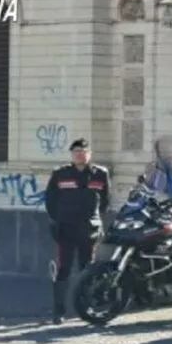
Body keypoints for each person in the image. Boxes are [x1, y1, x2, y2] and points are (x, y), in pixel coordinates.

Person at [44, 139, 111, 324]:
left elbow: (105, 201)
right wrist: (58, 219)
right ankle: (59, 312)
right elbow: (50, 200)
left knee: (87, 270)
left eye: (84, 151)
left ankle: (84, 308)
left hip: (89, 230)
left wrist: (95, 220)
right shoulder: (60, 174)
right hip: (66, 229)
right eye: (76, 151)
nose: (80, 154)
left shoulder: (100, 174)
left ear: (90, 154)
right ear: (71, 155)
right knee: (63, 269)